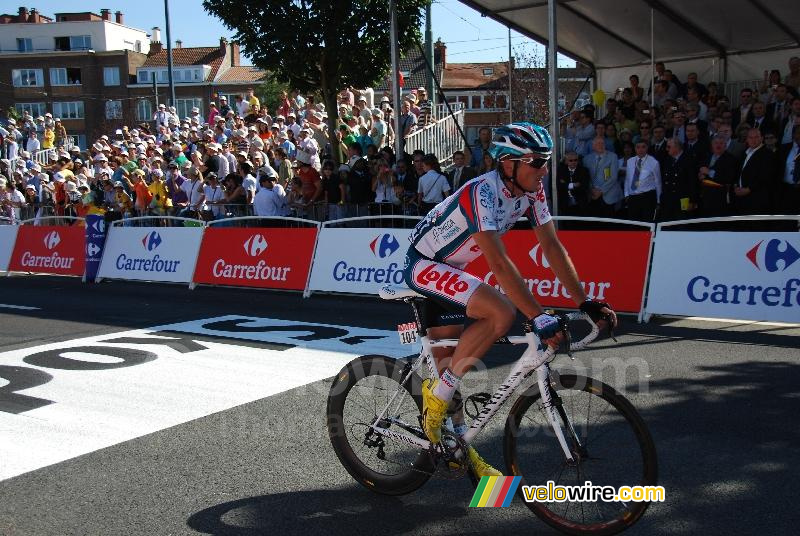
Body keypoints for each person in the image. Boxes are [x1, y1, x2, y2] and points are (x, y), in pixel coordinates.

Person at [403, 122, 617, 479]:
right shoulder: (480, 193)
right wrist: (537, 316)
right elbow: (498, 263)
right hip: (423, 264)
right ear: (508, 163)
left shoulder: (533, 191)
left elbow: (551, 246)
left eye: (546, 161)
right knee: (501, 313)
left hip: (452, 267)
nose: (543, 169)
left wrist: (584, 302)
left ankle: (455, 448)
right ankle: (436, 404)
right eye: (536, 161)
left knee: (448, 372)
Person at [624, 141, 661, 222]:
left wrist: (658, 201)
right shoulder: (630, 161)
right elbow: (627, 178)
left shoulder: (653, 162)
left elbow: (658, 182)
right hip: (633, 197)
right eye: (638, 147)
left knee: (647, 223)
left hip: (647, 197)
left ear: (647, 148)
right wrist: (626, 194)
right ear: (635, 149)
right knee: (633, 224)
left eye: (643, 147)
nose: (640, 149)